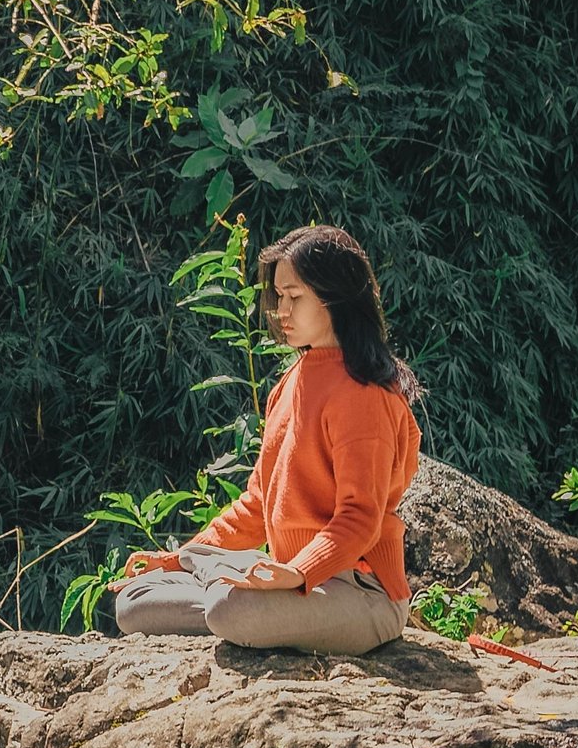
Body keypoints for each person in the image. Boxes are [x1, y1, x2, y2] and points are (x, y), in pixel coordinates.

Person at [111, 223, 424, 656]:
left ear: (334, 298)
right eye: (278, 297)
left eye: (295, 297)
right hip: (287, 580)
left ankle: (239, 602)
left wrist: (296, 573)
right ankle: (234, 595)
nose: (281, 311)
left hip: (362, 592)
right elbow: (257, 505)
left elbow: (359, 518)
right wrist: (180, 555)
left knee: (228, 608)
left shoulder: (363, 395)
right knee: (134, 601)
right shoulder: (292, 382)